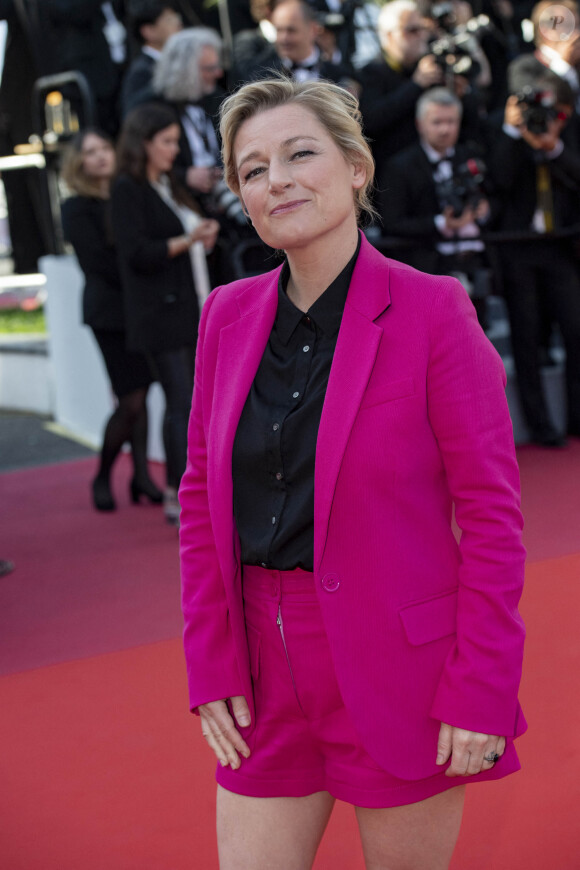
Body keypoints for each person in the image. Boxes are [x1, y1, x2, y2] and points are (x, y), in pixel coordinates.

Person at [179, 77, 527, 868]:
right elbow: (202, 499)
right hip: (263, 677)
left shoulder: (433, 309)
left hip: (401, 668)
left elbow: (493, 519)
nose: (279, 179)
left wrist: (483, 689)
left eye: (301, 153)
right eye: (253, 168)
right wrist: (213, 660)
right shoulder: (225, 316)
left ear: (356, 166)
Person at [111, 103, 219, 524]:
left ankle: (188, 487)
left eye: (177, 140)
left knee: (191, 403)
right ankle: (178, 493)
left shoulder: (167, 183)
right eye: (168, 142)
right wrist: (188, 238)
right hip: (160, 314)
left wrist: (201, 237)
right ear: (144, 143)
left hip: (190, 304)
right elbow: (136, 254)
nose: (176, 149)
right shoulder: (127, 188)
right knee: (182, 403)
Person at [61, 128, 163, 512]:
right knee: (131, 399)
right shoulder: (76, 207)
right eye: (91, 152)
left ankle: (141, 476)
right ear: (79, 162)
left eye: (105, 148)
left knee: (142, 393)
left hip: (139, 308)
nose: (101, 156)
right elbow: (98, 263)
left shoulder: (127, 194)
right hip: (108, 312)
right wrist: (144, 260)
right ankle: (103, 475)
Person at [489, 72, 580, 446]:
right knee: (525, 338)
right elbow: (499, 180)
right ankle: (541, 427)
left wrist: (553, 147)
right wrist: (514, 134)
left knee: (575, 331)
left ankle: (577, 419)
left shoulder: (566, 130)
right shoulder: (505, 133)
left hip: (561, 246)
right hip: (518, 247)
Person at [379, 88, 492, 327]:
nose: (445, 129)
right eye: (437, 122)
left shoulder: (470, 155)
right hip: (427, 269)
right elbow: (392, 222)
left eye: (451, 121)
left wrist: (484, 210)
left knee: (477, 339)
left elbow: (497, 197)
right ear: (420, 124)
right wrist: (442, 223)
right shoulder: (400, 166)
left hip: (474, 263)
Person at [121, 1, 183, 117]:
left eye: (176, 17)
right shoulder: (141, 71)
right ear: (148, 31)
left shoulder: (181, 61)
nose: (178, 23)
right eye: (169, 20)